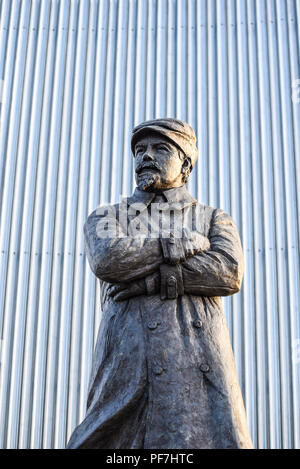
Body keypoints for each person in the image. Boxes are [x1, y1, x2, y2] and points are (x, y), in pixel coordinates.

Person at [67, 118, 253, 449]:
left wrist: (148, 281)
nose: (145, 156)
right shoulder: (108, 216)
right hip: (128, 362)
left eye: (160, 148)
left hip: (198, 362)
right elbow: (109, 260)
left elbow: (228, 270)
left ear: (186, 162)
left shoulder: (213, 218)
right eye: (139, 150)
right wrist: (175, 243)